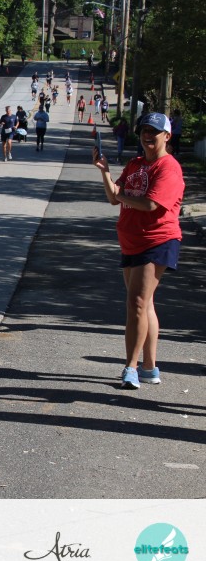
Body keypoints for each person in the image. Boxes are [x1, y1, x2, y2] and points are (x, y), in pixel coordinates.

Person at [92, 113, 185, 389]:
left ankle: (130, 367)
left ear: (167, 135)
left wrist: (120, 194)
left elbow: (150, 204)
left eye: (153, 131)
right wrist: (104, 171)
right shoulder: (135, 164)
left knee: (137, 303)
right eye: (144, 130)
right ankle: (149, 367)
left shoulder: (169, 168)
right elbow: (113, 198)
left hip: (157, 240)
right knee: (146, 304)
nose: (147, 135)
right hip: (131, 241)